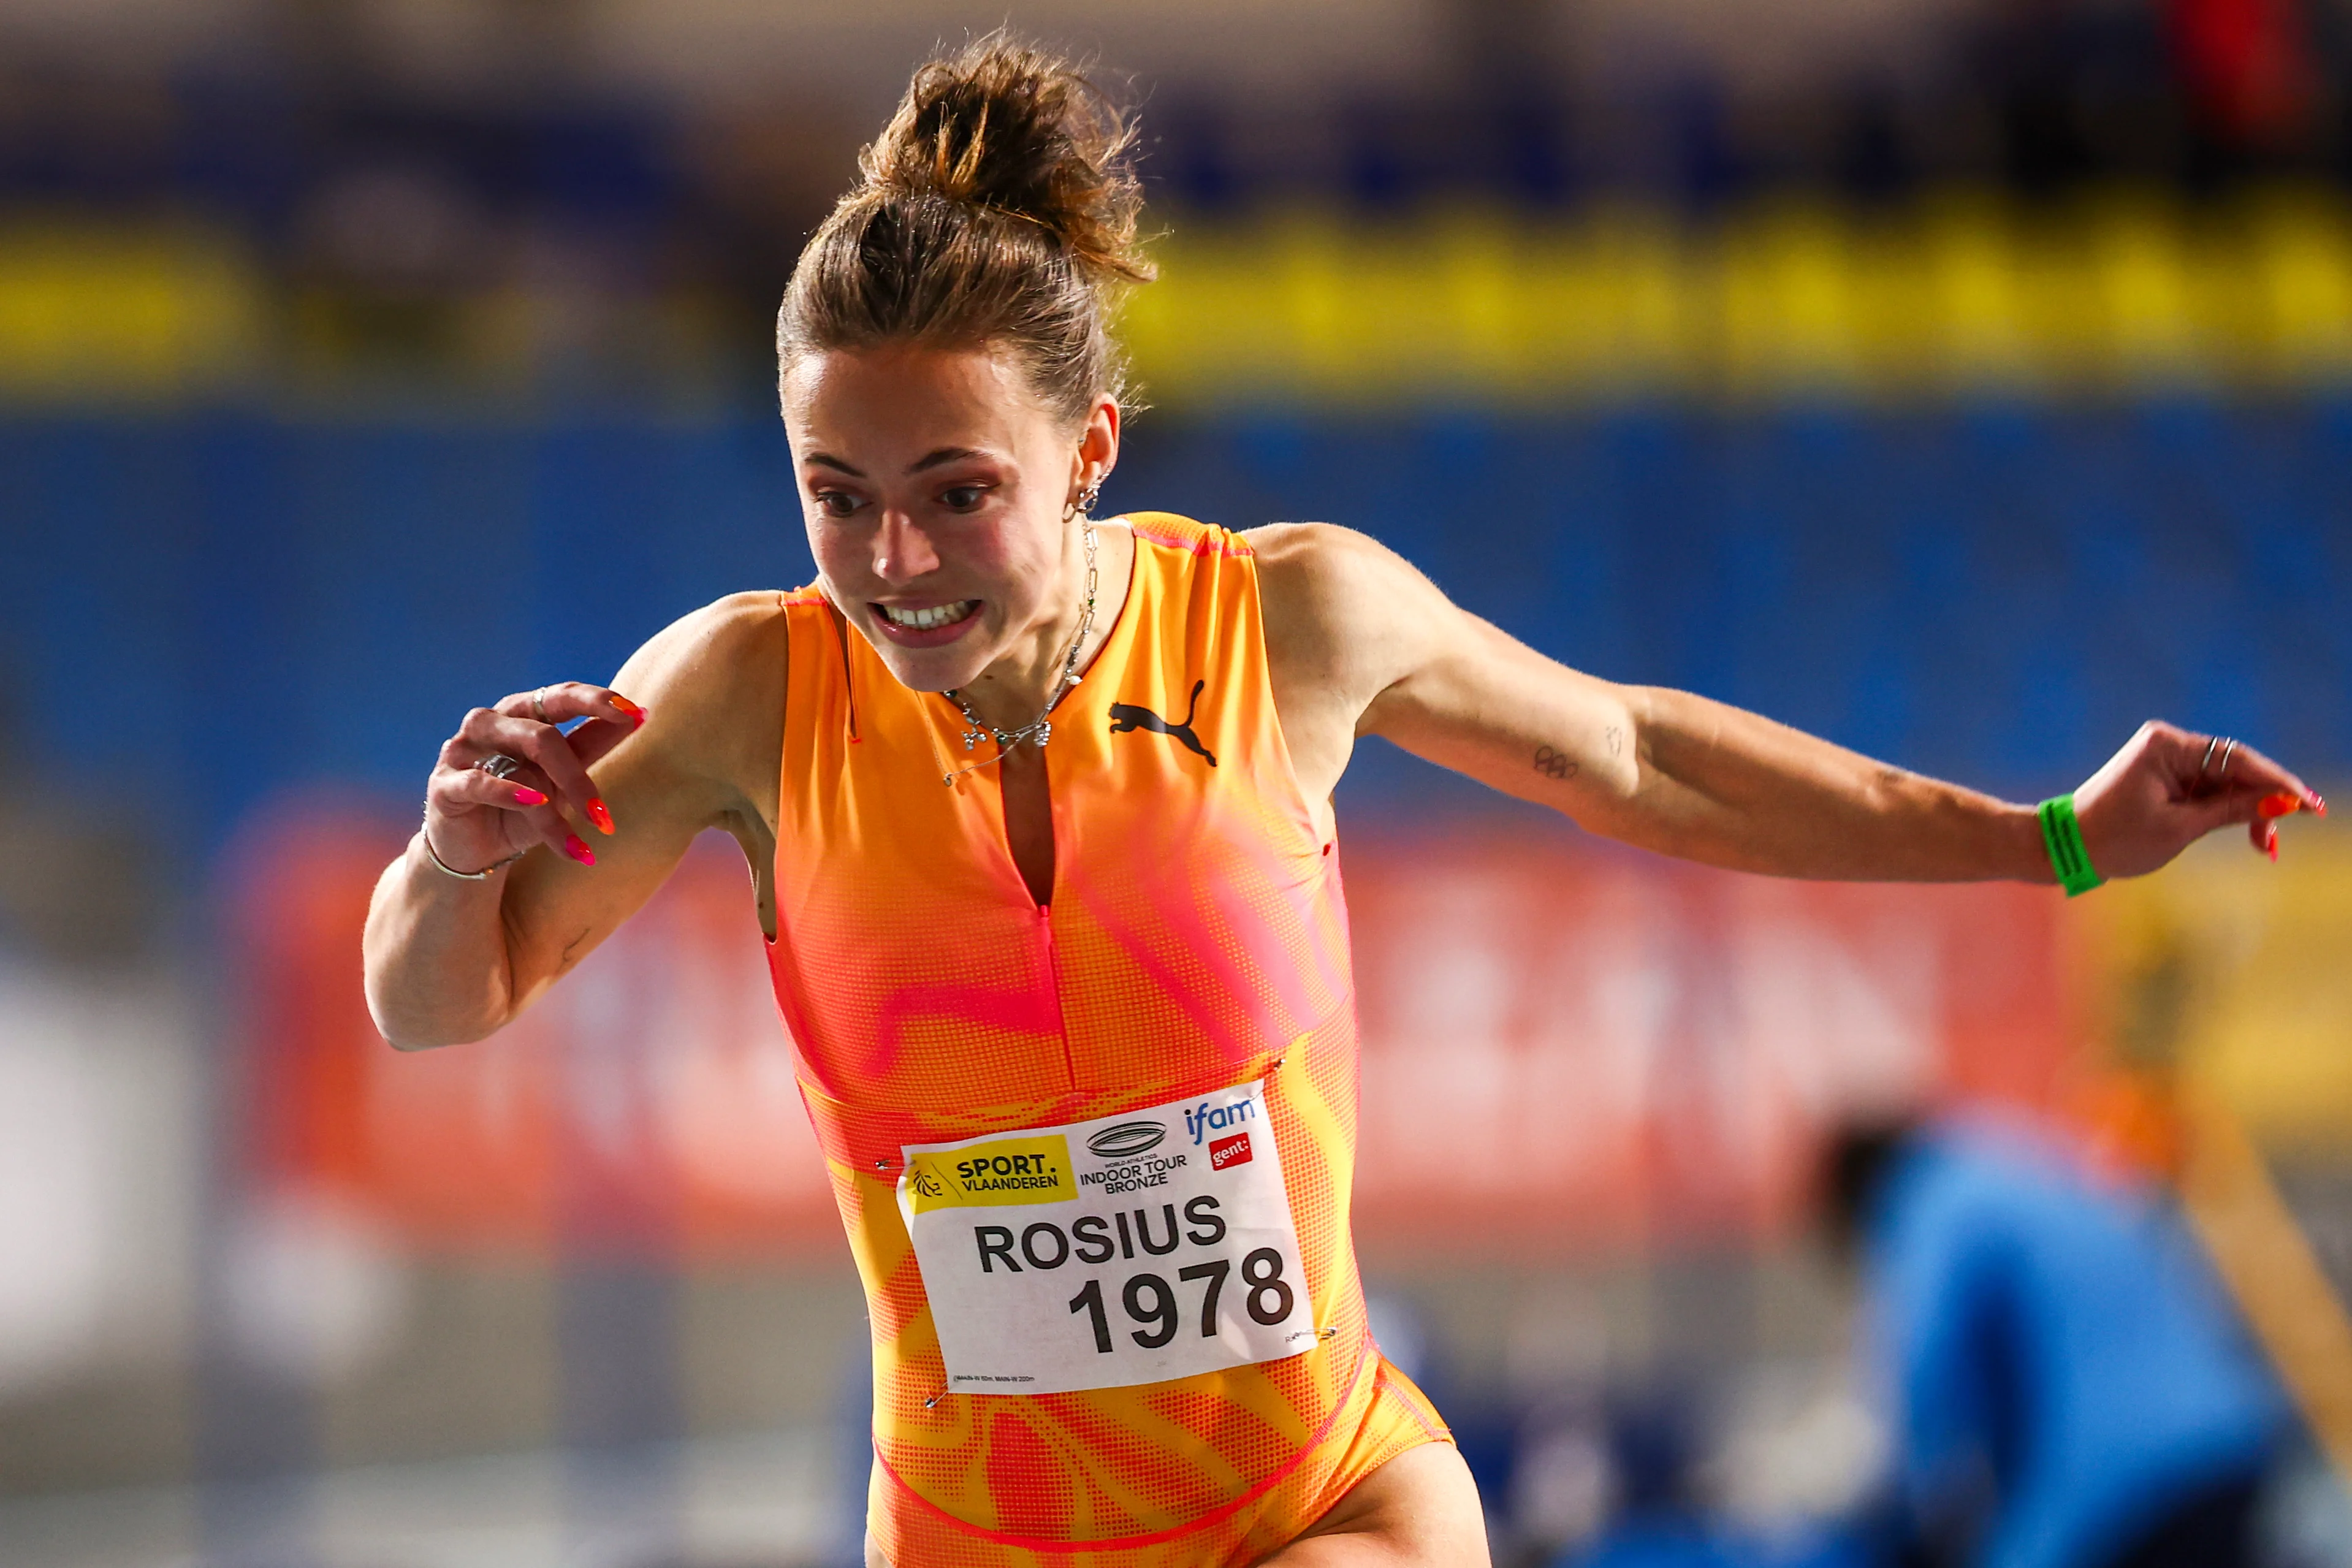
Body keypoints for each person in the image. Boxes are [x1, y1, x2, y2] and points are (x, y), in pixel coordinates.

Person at [360, 34, 2321, 1568]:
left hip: (1324, 1506)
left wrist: (2049, 834)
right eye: (835, 493)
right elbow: (431, 997)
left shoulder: (1288, 615)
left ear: (1090, 450)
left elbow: (1640, 757)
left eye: (959, 489)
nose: (894, 561)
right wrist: (449, 860)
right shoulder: (736, 691)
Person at [1825, 1116, 2286, 1568]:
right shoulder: (2010, 1164)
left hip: (2124, 1486)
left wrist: (1903, 1507)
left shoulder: (1929, 1201)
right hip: (2223, 1436)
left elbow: (1925, 1370)